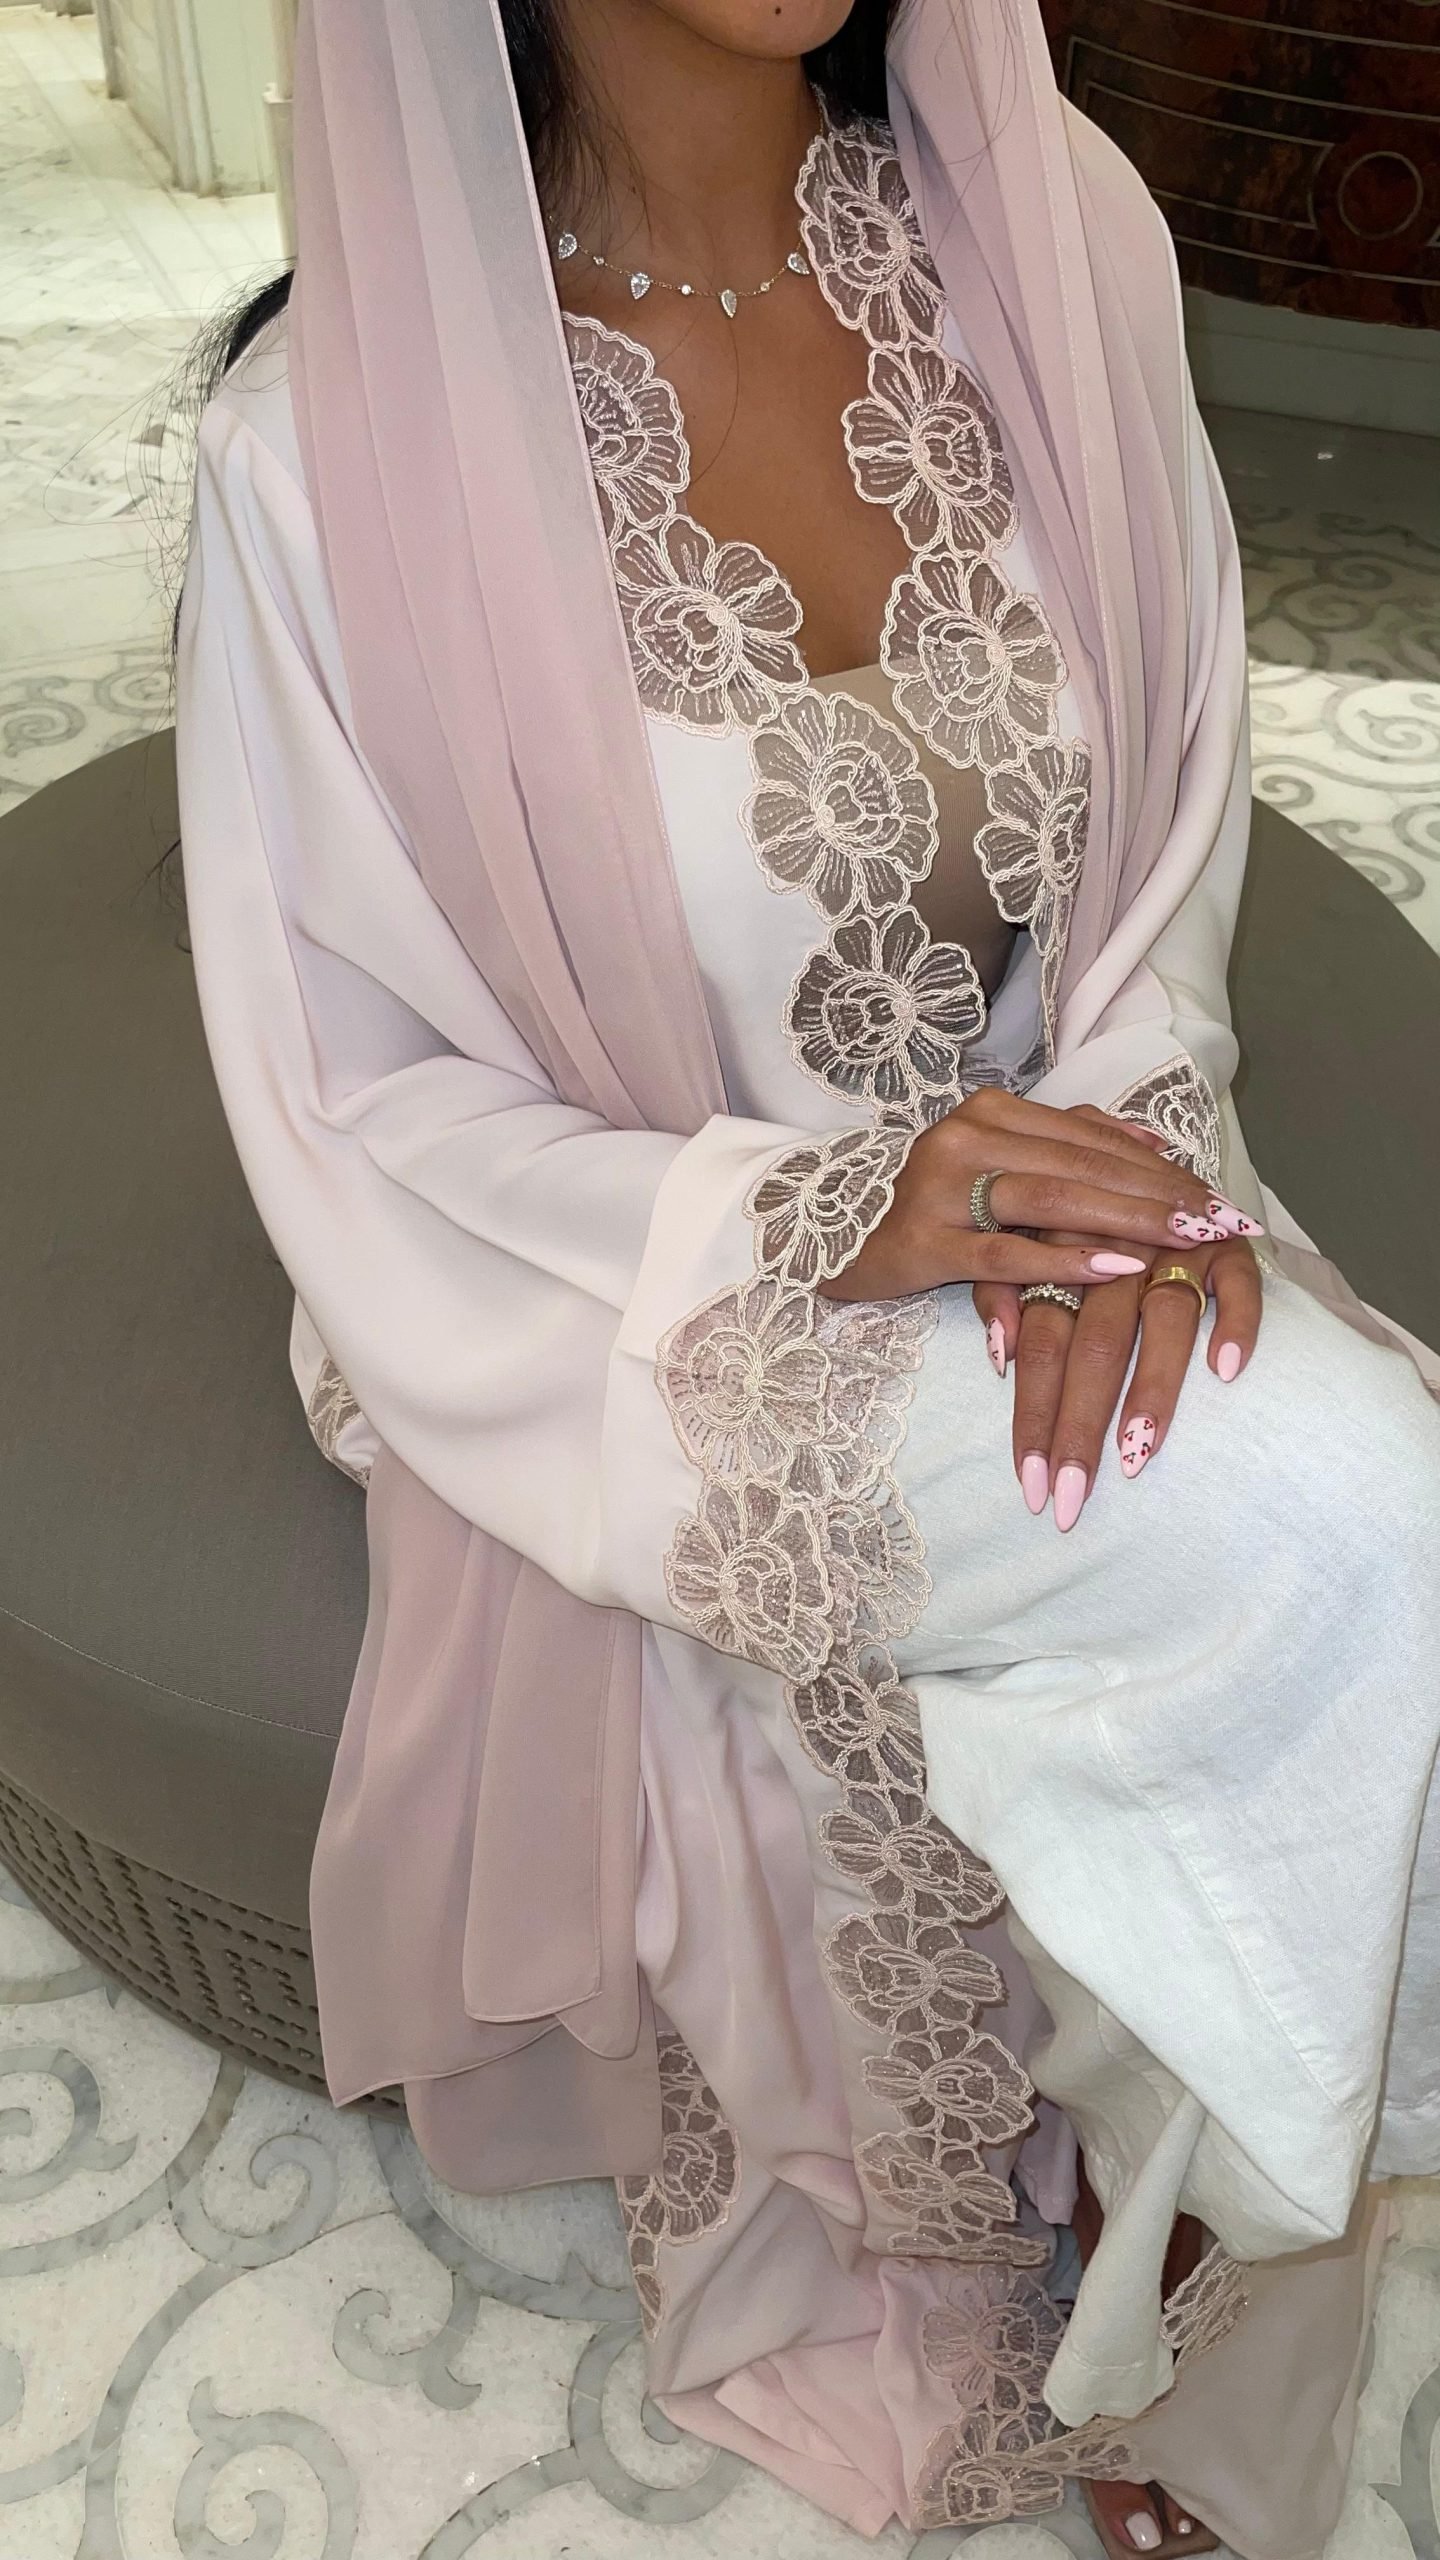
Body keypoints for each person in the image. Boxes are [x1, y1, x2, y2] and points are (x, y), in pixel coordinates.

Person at [173, 2, 1440, 2552]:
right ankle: (1235, 2263)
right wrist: (811, 1214)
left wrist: (1114, 1149)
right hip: (622, 1287)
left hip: (1075, 1156)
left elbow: (1175, 798)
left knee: (1341, 1543)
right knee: (1353, 1515)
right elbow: (356, 1099)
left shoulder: (1052, 230)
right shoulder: (324, 454)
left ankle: (1229, 2237)